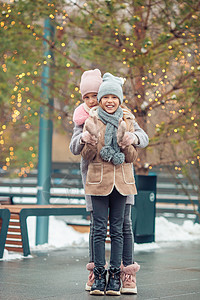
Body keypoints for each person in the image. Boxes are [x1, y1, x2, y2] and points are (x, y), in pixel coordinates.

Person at [69, 69, 148, 295]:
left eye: (97, 94)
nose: (93, 100)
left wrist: (132, 139)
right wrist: (85, 139)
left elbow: (142, 138)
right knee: (98, 226)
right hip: (95, 180)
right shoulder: (85, 119)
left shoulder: (126, 116)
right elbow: (77, 148)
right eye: (89, 97)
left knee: (122, 226)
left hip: (121, 180)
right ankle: (97, 272)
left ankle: (125, 274)